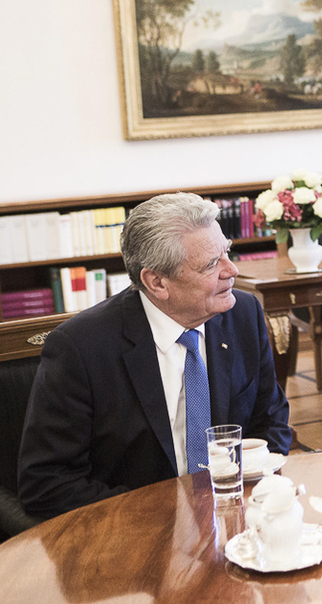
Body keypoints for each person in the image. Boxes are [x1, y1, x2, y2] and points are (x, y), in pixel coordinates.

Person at [19, 193, 291, 519]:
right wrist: (169, 511)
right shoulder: (82, 348)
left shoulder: (243, 314)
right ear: (157, 282)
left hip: (238, 519)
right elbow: (46, 484)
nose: (231, 270)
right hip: (133, 531)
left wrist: (250, 490)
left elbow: (271, 421)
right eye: (210, 264)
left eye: (227, 252)